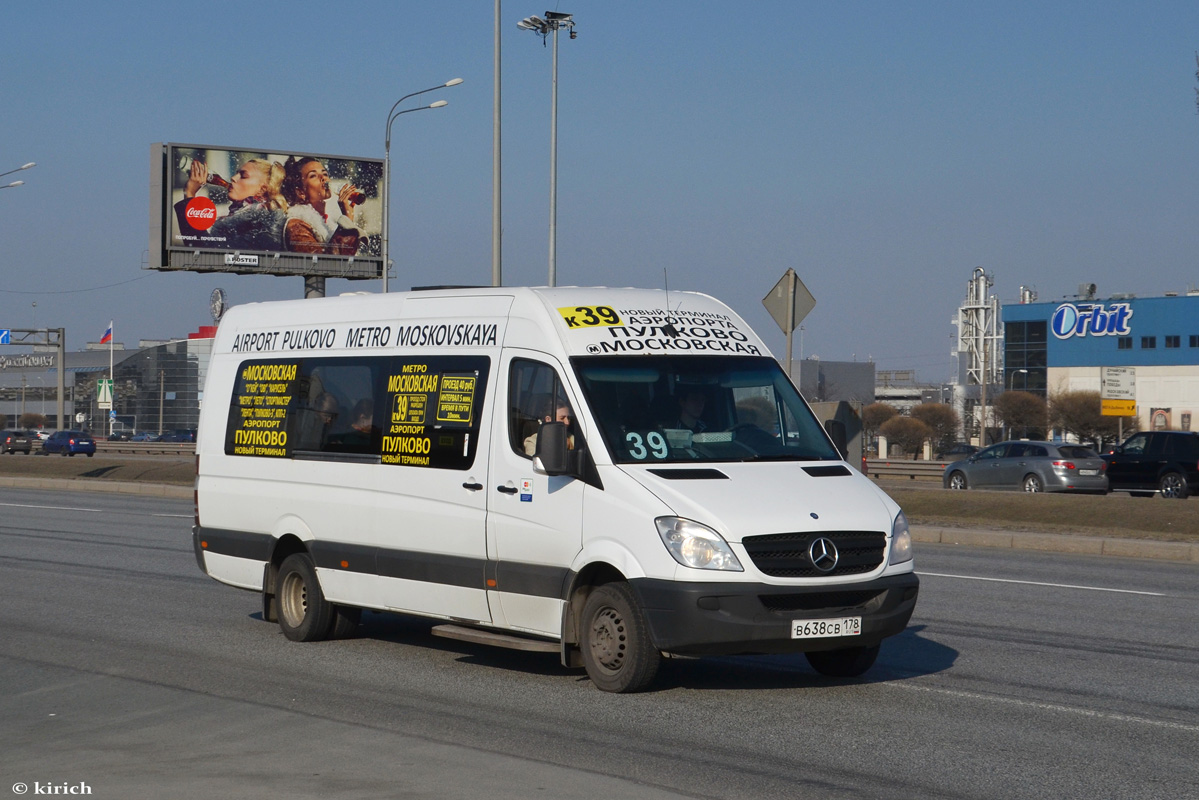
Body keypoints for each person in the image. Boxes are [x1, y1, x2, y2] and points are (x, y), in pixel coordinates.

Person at [174, 158, 287, 250]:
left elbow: (205, 250)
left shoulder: (262, 225)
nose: (233, 178)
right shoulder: (242, 218)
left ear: (262, 189)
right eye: (236, 173)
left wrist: (190, 194)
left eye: (243, 176)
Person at [281, 156, 365, 255]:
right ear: (301, 192)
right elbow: (328, 265)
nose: (323, 178)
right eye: (313, 176)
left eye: (324, 173)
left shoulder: (328, 223)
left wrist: (348, 218)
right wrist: (346, 219)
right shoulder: (296, 226)